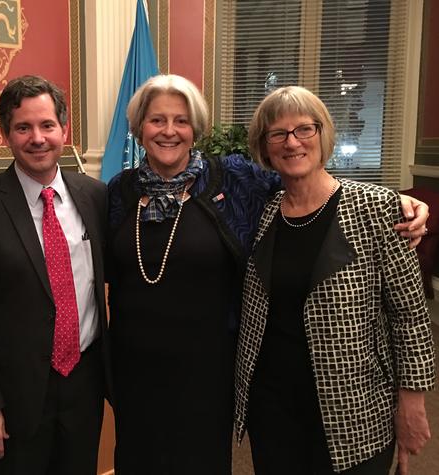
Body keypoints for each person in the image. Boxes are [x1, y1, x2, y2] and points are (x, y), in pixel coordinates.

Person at [106, 75, 430, 474]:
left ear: (196, 129)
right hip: (187, 380)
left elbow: (410, 315)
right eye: (157, 120)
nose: (169, 131)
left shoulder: (234, 182)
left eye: (181, 120)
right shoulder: (118, 194)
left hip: (238, 378)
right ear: (139, 129)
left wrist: (401, 202)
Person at [234, 86, 436, 475]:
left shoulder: (378, 208)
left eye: (304, 129)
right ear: (265, 146)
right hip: (272, 405)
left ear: (323, 133)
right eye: (278, 133)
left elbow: (411, 315)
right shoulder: (263, 212)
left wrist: (412, 402)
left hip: (354, 411)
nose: (292, 142)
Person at [0, 75, 110, 475]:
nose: (37, 138)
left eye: (47, 125)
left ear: (63, 130)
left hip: (85, 383)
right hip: (15, 394)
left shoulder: (95, 196)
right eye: (23, 127)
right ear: (5, 134)